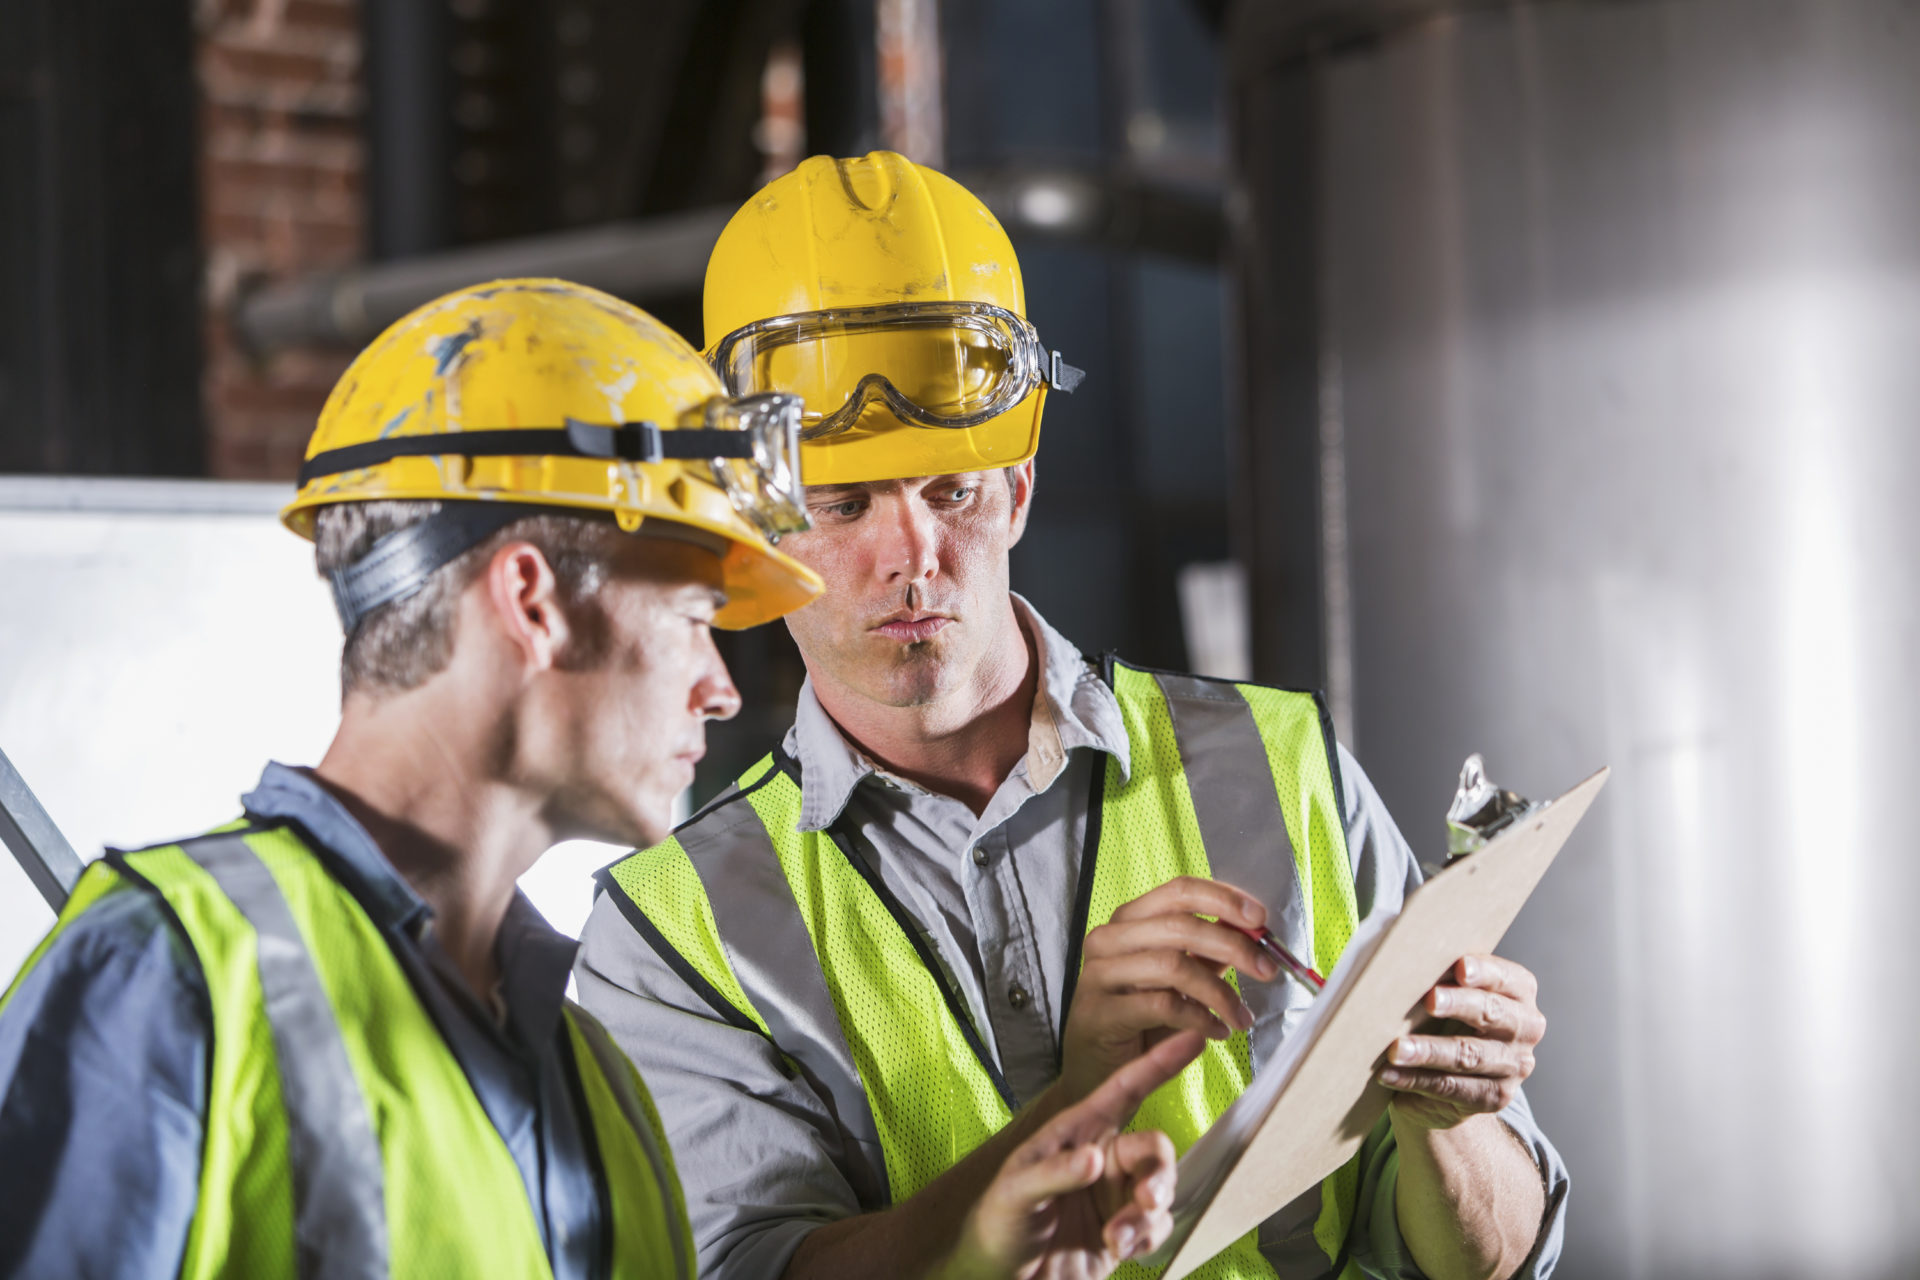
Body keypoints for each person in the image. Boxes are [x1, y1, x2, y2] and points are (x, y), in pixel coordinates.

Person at [0, 277, 1193, 1280]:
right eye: (688, 611)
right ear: (531, 601)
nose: (723, 688)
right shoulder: (164, 979)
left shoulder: (590, 1067)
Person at [576, 155, 1571, 1280]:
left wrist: (1451, 1118)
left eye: (951, 489)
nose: (912, 554)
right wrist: (1073, 1091)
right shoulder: (674, 936)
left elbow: (1489, 1255)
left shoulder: (1281, 768)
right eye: (845, 502)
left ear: (1020, 489)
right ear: (762, 529)